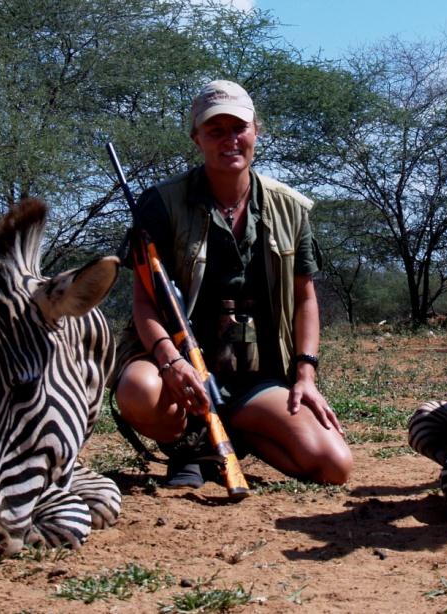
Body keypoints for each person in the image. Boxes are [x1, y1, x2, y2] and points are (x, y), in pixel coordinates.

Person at [113, 79, 352, 489]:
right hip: (180, 369)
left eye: (238, 128)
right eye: (215, 131)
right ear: (197, 138)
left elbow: (305, 298)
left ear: (257, 130)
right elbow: (145, 301)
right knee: (138, 388)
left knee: (333, 465)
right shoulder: (161, 203)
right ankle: (188, 446)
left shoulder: (290, 207)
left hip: (257, 374)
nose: (230, 140)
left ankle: (230, 436)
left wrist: (305, 375)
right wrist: (171, 361)